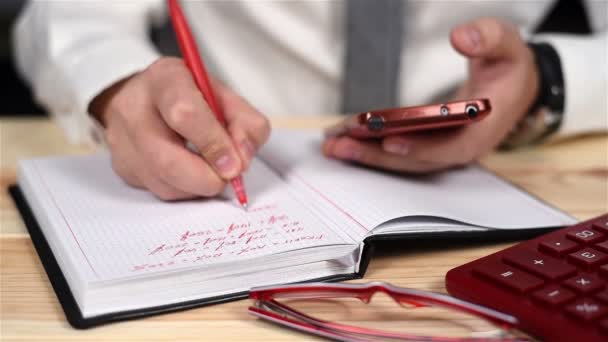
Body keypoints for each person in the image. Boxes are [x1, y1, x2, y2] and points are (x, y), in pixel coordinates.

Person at [13, 1, 607, 200]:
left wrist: (547, 81)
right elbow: (67, 15)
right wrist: (119, 88)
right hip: (231, 134)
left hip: (513, 155)